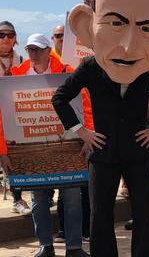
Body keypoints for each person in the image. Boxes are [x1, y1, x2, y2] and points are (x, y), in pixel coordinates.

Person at [52, 0, 149, 257]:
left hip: (138, 151)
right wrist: (81, 131)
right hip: (102, 152)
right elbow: (60, 98)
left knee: (144, 214)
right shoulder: (90, 66)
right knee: (100, 215)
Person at [10, 34, 89, 257]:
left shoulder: (66, 72)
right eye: (30, 50)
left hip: (69, 146)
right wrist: (4, 151)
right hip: (33, 148)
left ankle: (74, 247)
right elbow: (5, 116)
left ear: (48, 51)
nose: (33, 54)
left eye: (38, 50)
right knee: (38, 199)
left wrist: (86, 137)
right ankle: (46, 245)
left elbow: (85, 105)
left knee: (73, 196)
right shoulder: (16, 75)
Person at [0, 21, 32, 217]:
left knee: (14, 156)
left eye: (10, 35)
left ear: (15, 38)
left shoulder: (22, 59)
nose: (5, 38)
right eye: (1, 34)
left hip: (13, 114)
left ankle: (17, 198)